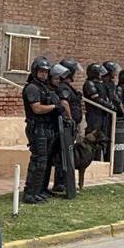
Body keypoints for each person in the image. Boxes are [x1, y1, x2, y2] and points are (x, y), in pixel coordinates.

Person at [21, 58, 68, 204]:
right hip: (37, 128)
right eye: (41, 71)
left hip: (48, 128)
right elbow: (37, 108)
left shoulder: (44, 87)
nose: (44, 75)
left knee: (45, 162)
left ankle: (39, 190)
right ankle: (30, 193)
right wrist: (55, 107)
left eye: (46, 72)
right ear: (35, 71)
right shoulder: (32, 88)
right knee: (38, 161)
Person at [49, 62, 76, 195]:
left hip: (63, 126)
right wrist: (70, 119)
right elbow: (64, 103)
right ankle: (60, 184)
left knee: (62, 155)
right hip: (62, 126)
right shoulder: (63, 87)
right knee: (62, 156)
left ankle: (62, 183)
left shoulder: (63, 86)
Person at [83, 62, 110, 161]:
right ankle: (90, 158)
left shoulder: (100, 84)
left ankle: (97, 158)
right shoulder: (89, 83)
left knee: (100, 139)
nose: (101, 75)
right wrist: (109, 106)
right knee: (93, 136)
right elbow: (96, 98)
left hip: (102, 114)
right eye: (99, 73)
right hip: (94, 114)